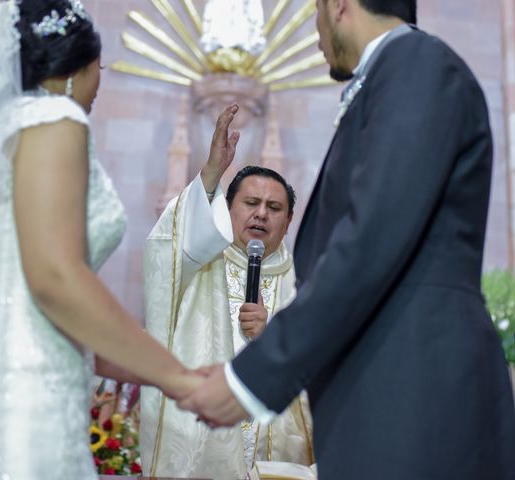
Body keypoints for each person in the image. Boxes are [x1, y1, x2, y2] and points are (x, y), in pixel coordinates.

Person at [178, 0, 515, 479]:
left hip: (416, 395)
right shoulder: (394, 74)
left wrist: (249, 380)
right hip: (384, 394)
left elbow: (372, 236)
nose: (313, 30)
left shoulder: (416, 65)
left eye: (314, 9)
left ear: (337, 5)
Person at [0, 0, 209, 477]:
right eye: (104, 68)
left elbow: (3, 291)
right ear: (80, 67)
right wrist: (179, 379)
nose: (101, 83)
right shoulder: (54, 118)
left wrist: (145, 366)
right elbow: (54, 277)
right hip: (23, 391)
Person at [141, 158, 314, 478]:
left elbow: (324, 371)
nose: (261, 213)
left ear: (289, 220)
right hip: (199, 447)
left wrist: (273, 337)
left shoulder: (307, 286)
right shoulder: (199, 263)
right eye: (251, 203)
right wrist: (211, 172)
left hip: (276, 459)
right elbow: (166, 247)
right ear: (227, 208)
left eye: (274, 207)